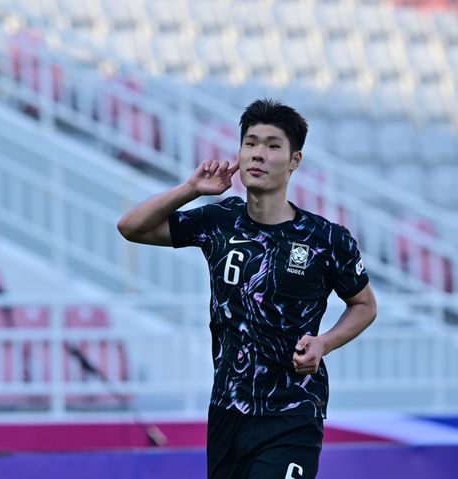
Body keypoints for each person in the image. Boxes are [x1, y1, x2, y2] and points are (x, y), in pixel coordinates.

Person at [117, 99, 378, 479]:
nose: (258, 154)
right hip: (228, 410)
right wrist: (191, 189)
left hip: (293, 411)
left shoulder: (326, 239)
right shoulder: (220, 220)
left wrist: (324, 343)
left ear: (294, 160)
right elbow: (131, 227)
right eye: (250, 143)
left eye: (273, 146)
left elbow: (364, 305)